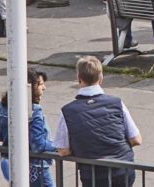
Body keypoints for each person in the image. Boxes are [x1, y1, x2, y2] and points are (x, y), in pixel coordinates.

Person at [54, 55, 144, 187]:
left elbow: (63, 150)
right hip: (123, 170)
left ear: (79, 79)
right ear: (101, 78)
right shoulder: (117, 103)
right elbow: (136, 139)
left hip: (93, 175)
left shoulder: (67, 111)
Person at [0, 68, 56, 187]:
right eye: (40, 84)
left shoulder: (2, 106)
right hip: (34, 167)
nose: (44, 88)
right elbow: (38, 145)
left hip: (8, 161)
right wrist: (57, 145)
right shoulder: (34, 111)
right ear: (30, 87)